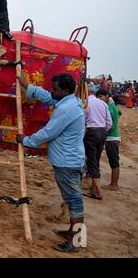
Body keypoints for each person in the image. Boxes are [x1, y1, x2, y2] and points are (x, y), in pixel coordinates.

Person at [16, 73, 86, 253]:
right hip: (69, 160)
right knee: (72, 200)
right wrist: (27, 86)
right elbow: (47, 97)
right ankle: (72, 233)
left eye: (55, 88)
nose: (51, 91)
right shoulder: (69, 102)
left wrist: (26, 140)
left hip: (68, 162)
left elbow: (48, 133)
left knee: (75, 201)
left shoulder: (65, 109)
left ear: (64, 90)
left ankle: (77, 241)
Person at [83, 85, 113, 201]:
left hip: (92, 132)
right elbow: (109, 123)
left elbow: (83, 120)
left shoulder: (86, 103)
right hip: (102, 132)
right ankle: (94, 188)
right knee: (96, 160)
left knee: (91, 161)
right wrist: (103, 132)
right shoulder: (103, 104)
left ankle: (98, 192)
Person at [96, 90, 122, 191]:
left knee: (114, 161)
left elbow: (110, 126)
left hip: (112, 138)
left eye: (101, 96)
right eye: (98, 96)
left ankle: (114, 185)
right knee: (114, 160)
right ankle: (113, 183)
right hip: (113, 137)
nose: (99, 99)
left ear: (107, 96)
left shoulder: (110, 107)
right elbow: (120, 112)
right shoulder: (111, 105)